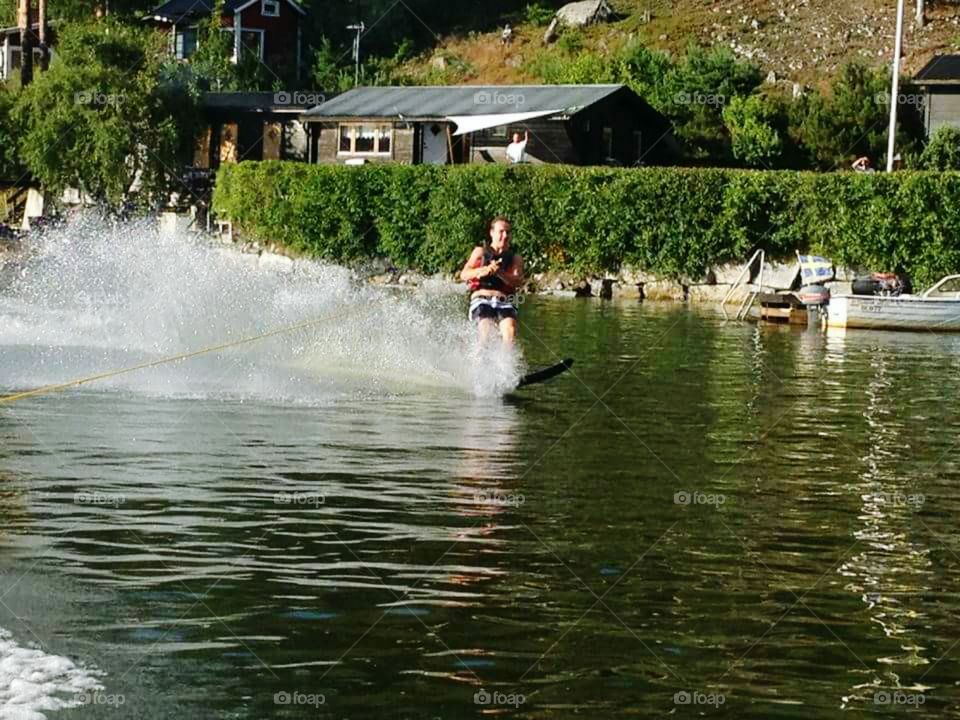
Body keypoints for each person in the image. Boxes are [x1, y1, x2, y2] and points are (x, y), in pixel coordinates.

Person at [459, 217, 525, 347]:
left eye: (508, 232)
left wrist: (500, 273)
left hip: (504, 301)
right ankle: (480, 361)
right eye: (501, 231)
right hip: (481, 299)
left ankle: (506, 365)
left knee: (510, 330)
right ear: (492, 233)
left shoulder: (515, 258)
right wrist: (482, 271)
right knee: (486, 329)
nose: (505, 235)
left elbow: (517, 281)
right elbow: (464, 274)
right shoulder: (480, 252)